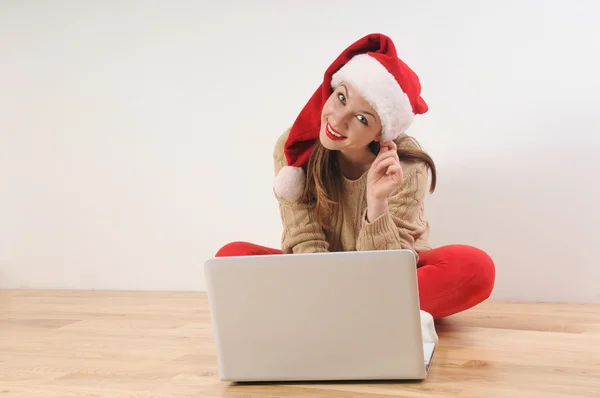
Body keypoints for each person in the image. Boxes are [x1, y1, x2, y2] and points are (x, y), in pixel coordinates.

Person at [216, 33, 495, 319]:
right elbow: (304, 239)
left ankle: (322, 316)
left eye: (362, 119)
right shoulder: (294, 148)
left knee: (475, 267)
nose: (337, 119)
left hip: (386, 276)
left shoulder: (407, 165)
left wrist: (377, 203)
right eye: (341, 98)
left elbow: (388, 269)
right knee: (231, 258)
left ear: (381, 133)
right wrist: (329, 287)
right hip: (316, 272)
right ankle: (364, 317)